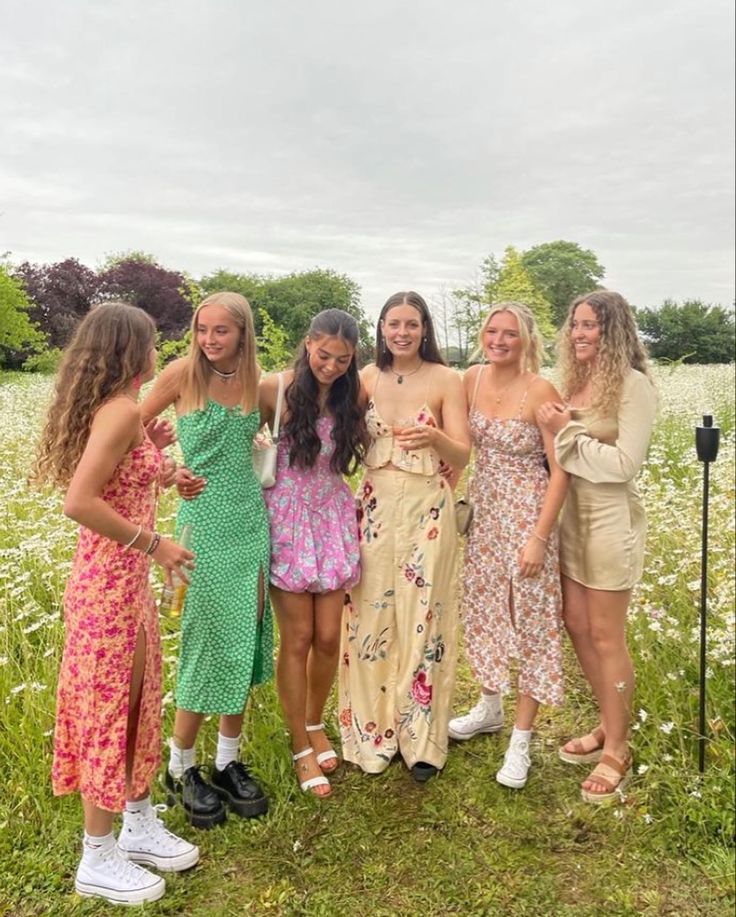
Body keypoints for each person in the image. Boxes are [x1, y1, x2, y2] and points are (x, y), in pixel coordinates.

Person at [32, 302, 198, 906]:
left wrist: (157, 461)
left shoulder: (125, 414)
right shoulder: (121, 409)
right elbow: (80, 501)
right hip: (108, 586)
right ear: (134, 350)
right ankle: (97, 856)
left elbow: (118, 480)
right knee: (110, 709)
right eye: (152, 342)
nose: (159, 352)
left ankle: (137, 819)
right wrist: (155, 544)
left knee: (137, 701)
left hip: (124, 587)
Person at [141, 291, 272, 828]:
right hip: (200, 528)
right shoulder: (179, 375)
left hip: (251, 525)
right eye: (202, 329)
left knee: (247, 636)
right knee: (205, 639)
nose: (210, 340)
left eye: (221, 330)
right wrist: (170, 472)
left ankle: (227, 762)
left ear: (243, 333)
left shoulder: (260, 385)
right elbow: (132, 433)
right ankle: (180, 766)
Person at [338, 291, 470, 782]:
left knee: (424, 617)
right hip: (374, 506)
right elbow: (337, 431)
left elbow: (461, 456)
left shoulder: (445, 379)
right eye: (393, 324)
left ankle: (422, 741)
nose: (402, 332)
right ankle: (373, 734)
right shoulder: (366, 378)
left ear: (424, 329)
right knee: (368, 617)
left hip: (425, 508)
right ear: (381, 328)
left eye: (411, 324)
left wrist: (434, 438)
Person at [537, 290, 657, 804]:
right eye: (575, 325)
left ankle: (620, 747)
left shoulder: (634, 387)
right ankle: (609, 722)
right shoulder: (576, 383)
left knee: (607, 635)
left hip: (611, 523)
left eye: (590, 326)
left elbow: (624, 465)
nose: (579, 334)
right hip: (574, 521)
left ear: (614, 332)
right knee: (577, 625)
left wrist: (565, 435)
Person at [447, 303, 568, 789]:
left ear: (527, 341)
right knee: (484, 608)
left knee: (532, 617)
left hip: (527, 512)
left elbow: (561, 471)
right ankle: (490, 705)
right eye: (492, 331)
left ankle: (521, 739)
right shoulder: (470, 378)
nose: (499, 340)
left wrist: (539, 537)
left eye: (510, 334)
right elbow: (460, 446)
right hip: (483, 510)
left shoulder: (540, 389)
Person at [257, 309, 369, 797]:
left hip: (332, 517)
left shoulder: (354, 394)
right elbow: (238, 444)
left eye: (343, 359)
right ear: (307, 345)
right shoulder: (273, 389)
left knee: (329, 637)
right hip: (286, 519)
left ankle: (315, 719)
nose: (332, 366)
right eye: (325, 355)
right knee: (298, 637)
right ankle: (301, 743)